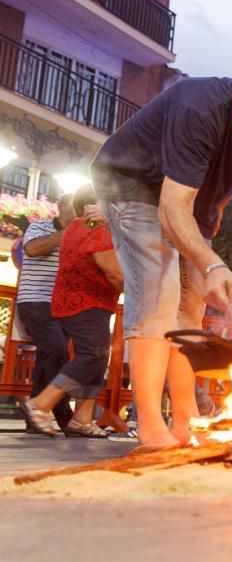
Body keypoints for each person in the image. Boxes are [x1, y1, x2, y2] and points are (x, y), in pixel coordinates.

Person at [90, 52, 232, 449]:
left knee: (192, 310)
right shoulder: (199, 106)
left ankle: (186, 419)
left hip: (191, 203)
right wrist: (211, 262)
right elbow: (170, 207)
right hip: (133, 185)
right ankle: (150, 428)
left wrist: (213, 216)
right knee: (160, 293)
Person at [19, 186, 123, 437]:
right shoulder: (91, 228)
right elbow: (113, 271)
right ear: (94, 205)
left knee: (97, 358)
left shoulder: (78, 227)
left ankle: (81, 419)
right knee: (91, 355)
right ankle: (40, 404)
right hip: (86, 301)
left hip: (81, 301)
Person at [15, 193, 76, 432]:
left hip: (64, 306)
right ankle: (64, 416)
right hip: (35, 301)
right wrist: (68, 233)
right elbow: (31, 249)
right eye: (76, 206)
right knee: (57, 350)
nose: (80, 210)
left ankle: (34, 420)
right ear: (60, 207)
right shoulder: (39, 225)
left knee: (47, 358)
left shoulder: (83, 230)